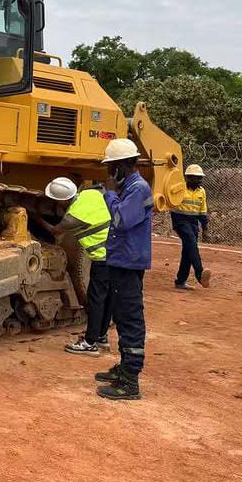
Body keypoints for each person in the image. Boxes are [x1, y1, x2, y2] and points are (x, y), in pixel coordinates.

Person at [93, 138, 153, 401]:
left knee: (130, 318)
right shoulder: (129, 188)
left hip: (129, 262)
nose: (108, 173)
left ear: (121, 167)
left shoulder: (137, 189)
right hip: (122, 261)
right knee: (122, 314)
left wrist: (108, 193)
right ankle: (124, 368)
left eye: (111, 168)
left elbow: (121, 220)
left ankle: (130, 380)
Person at [36, 177, 113, 357]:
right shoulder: (90, 194)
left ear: (62, 200)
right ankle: (101, 337)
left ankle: (90, 343)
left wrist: (37, 219)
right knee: (107, 297)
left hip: (102, 258)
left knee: (95, 299)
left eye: (55, 200)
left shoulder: (73, 216)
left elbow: (55, 230)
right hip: (116, 254)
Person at [171, 164, 214, 290]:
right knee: (191, 243)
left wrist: (205, 229)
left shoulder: (202, 191)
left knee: (188, 251)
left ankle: (180, 281)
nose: (199, 180)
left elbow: (202, 212)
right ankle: (200, 274)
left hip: (193, 223)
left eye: (200, 178)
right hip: (180, 220)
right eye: (196, 178)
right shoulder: (179, 188)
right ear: (188, 177)